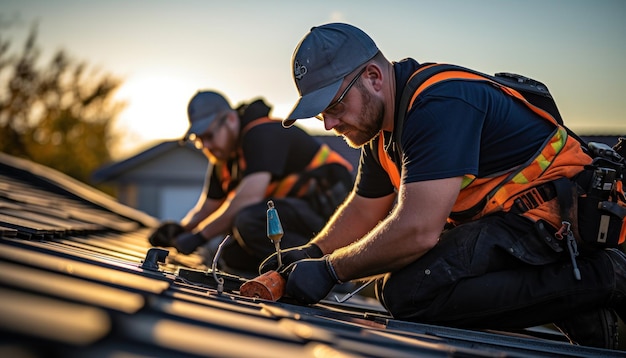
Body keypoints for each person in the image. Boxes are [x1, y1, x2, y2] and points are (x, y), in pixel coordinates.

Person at [259, 22, 626, 349]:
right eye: (322, 112)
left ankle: (608, 275)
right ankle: (590, 317)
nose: (328, 124)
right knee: (404, 286)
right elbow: (364, 208)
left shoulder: (438, 104)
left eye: (335, 105)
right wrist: (313, 251)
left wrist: (330, 270)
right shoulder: (376, 131)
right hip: (516, 224)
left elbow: (417, 231)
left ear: (373, 76)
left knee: (411, 291)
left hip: (556, 215)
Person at [148, 90, 354, 275]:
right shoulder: (224, 161)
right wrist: (180, 230)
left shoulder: (261, 133)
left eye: (209, 136)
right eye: (200, 140)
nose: (206, 146)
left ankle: (321, 269)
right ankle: (283, 277)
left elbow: (246, 199)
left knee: (248, 221)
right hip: (295, 218)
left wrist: (200, 236)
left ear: (229, 119)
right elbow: (207, 208)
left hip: (331, 217)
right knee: (231, 255)